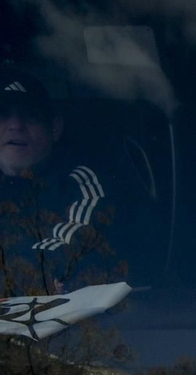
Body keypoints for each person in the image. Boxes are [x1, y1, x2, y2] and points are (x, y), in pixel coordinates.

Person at [0, 65, 133, 293]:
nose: (15, 125)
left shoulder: (83, 186)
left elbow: (59, 263)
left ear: (55, 128)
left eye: (30, 116)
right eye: (2, 114)